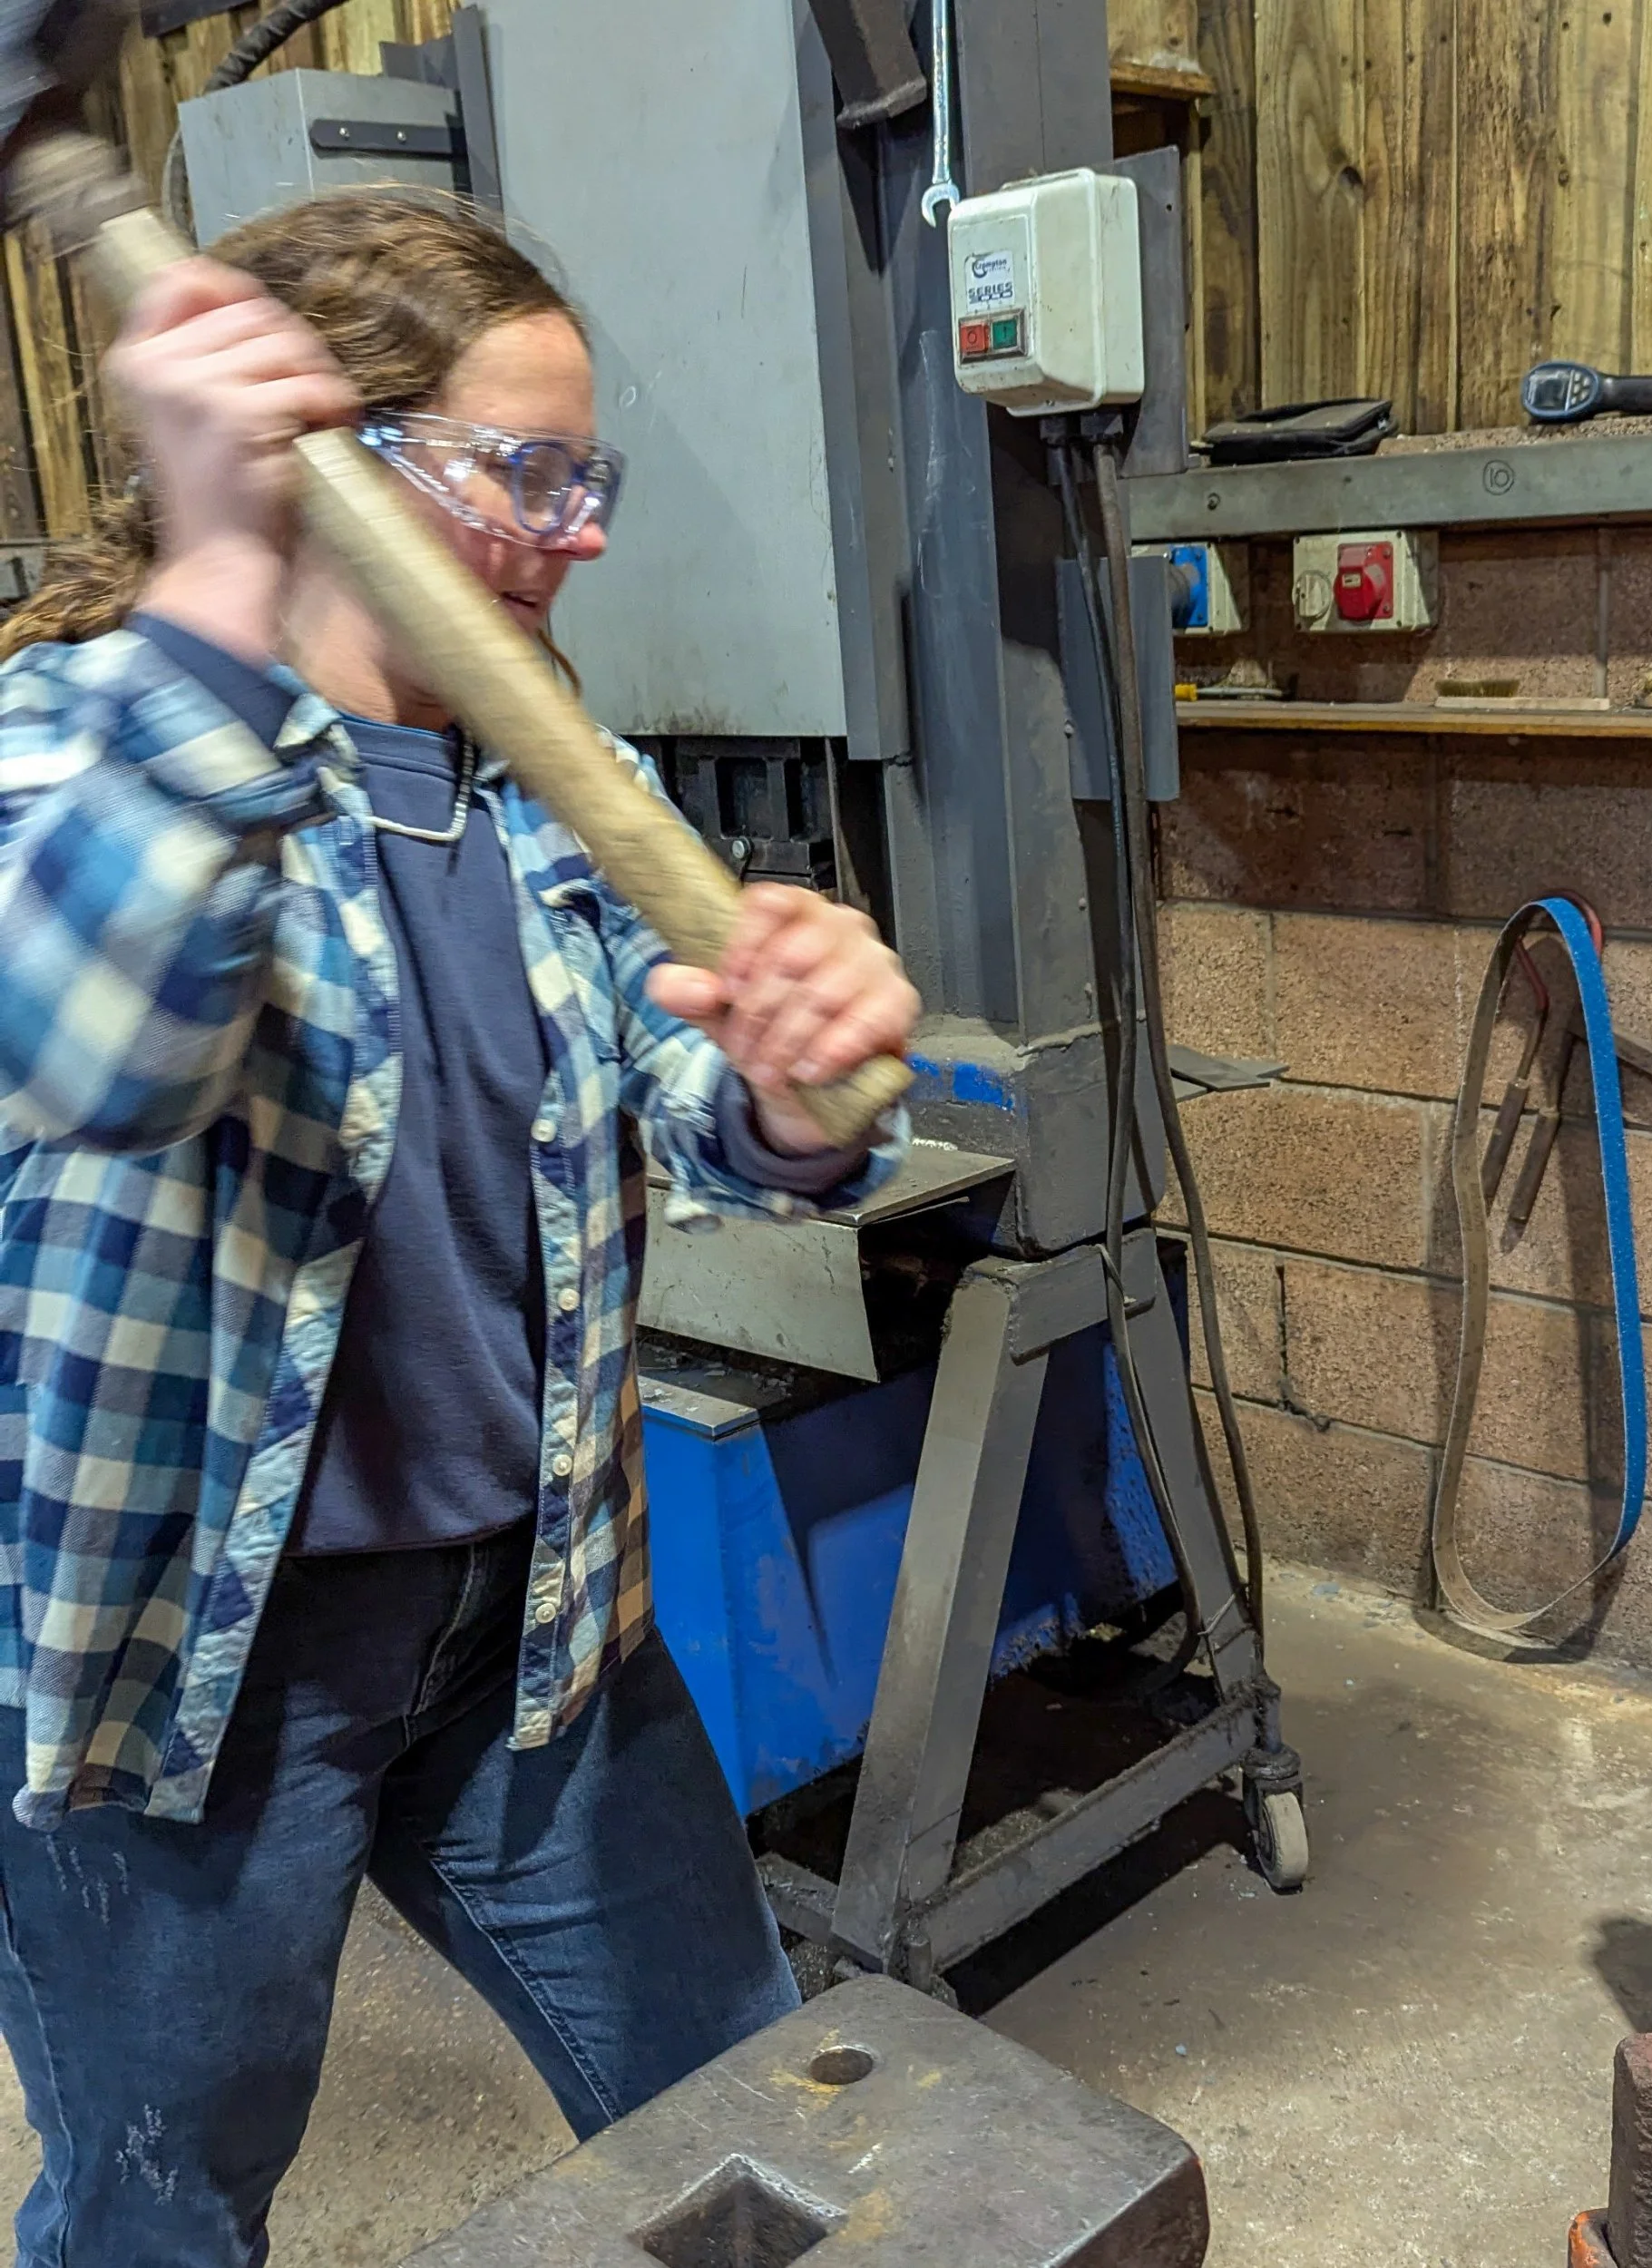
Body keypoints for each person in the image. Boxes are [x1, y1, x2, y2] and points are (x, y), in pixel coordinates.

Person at [0, 187, 919, 2267]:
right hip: (188, 1680)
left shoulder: (541, 789)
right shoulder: (76, 730)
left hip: (540, 1619)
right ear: (335, 464)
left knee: (746, 2102)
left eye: (589, 475)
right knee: (160, 2205)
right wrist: (221, 572)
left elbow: (693, 1118)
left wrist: (785, 1088)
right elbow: (98, 1039)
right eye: (530, 471)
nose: (581, 530)